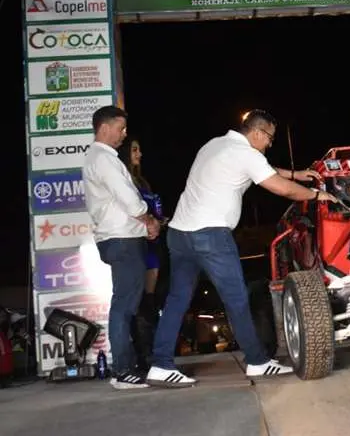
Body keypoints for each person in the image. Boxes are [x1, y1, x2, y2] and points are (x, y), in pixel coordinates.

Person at [146, 109, 337, 388]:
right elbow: (281, 188)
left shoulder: (215, 145)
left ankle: (160, 366)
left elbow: (262, 170)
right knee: (236, 300)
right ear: (258, 133)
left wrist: (296, 173)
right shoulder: (246, 155)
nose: (270, 144)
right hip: (210, 236)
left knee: (177, 300)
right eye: (270, 138)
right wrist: (317, 193)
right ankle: (257, 361)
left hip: (179, 234)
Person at [82, 106, 161, 389]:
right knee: (124, 306)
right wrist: (149, 219)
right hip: (122, 240)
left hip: (119, 238)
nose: (123, 134)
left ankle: (128, 367)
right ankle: (123, 370)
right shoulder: (103, 159)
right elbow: (128, 198)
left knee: (126, 304)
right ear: (104, 128)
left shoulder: (99, 158)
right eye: (121, 128)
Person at [117, 136, 165, 372]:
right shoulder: (124, 180)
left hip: (153, 245)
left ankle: (153, 355)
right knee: (137, 302)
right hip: (136, 243)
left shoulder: (142, 181)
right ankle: (143, 359)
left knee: (149, 300)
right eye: (135, 150)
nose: (139, 154)